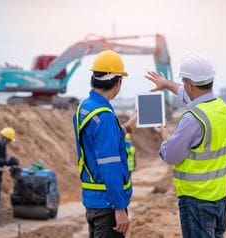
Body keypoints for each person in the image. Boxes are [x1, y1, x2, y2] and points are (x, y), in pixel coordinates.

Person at [145, 53, 226, 238]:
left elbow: (171, 155)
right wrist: (167, 84)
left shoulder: (193, 118)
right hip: (219, 198)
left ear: (190, 84)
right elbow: (189, 96)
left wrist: (164, 135)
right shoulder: (221, 107)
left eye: (184, 82)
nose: (184, 86)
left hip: (197, 201)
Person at [72, 50, 137, 237]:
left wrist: (127, 127)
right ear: (118, 82)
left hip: (93, 201)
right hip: (108, 205)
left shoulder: (84, 108)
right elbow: (110, 165)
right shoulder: (105, 116)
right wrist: (119, 208)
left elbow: (96, 143)